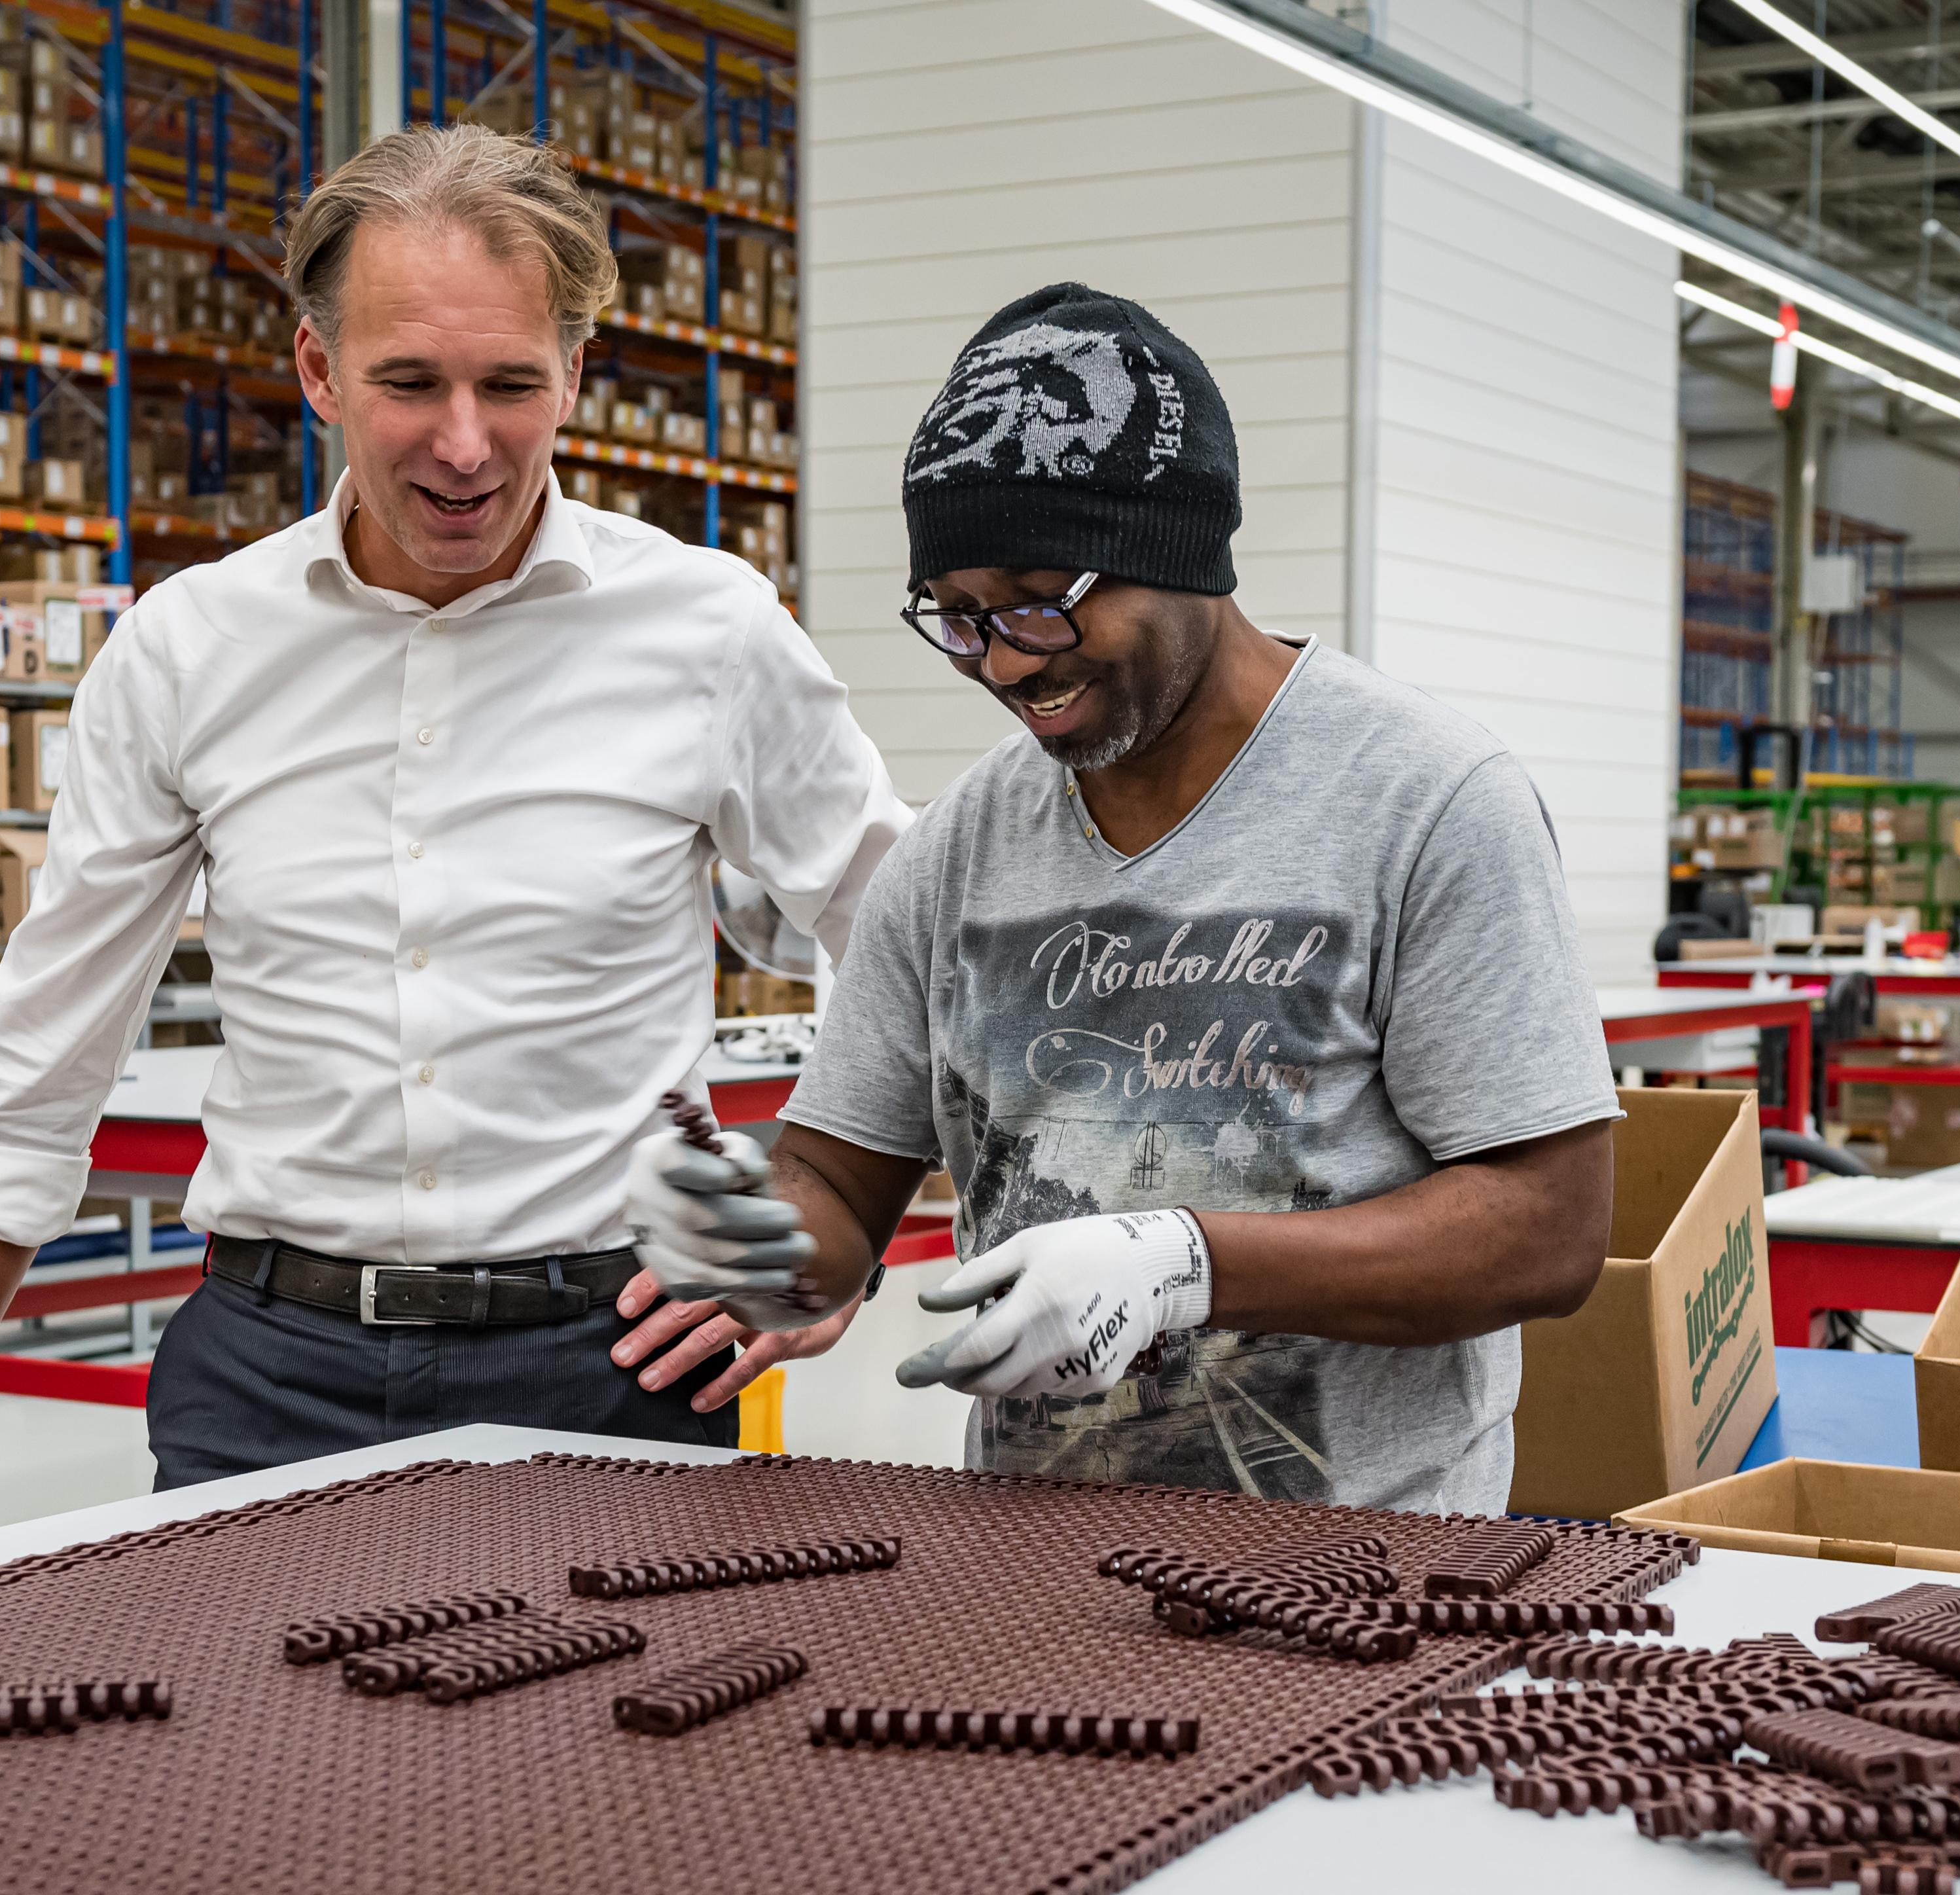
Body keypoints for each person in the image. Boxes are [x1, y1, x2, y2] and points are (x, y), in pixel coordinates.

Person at [0, 126, 906, 1564]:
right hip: (269, 1375)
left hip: (611, 1369)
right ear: (318, 371)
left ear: (573, 374)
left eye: (510, 385)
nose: (463, 444)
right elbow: (42, 1050)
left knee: (611, 1789)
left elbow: (904, 931)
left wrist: (835, 1220)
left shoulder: (707, 628)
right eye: (408, 384)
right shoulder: (195, 648)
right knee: (244, 1785)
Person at [624, 283, 1617, 1513]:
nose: (1006, 660)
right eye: (963, 615)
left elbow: (1548, 1228)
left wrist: (1189, 1265)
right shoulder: (956, 855)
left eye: (1044, 599)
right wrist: (757, 1238)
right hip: (1042, 1569)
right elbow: (837, 1185)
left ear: (1180, 553)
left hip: (1373, 1582)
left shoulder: (1426, 803)